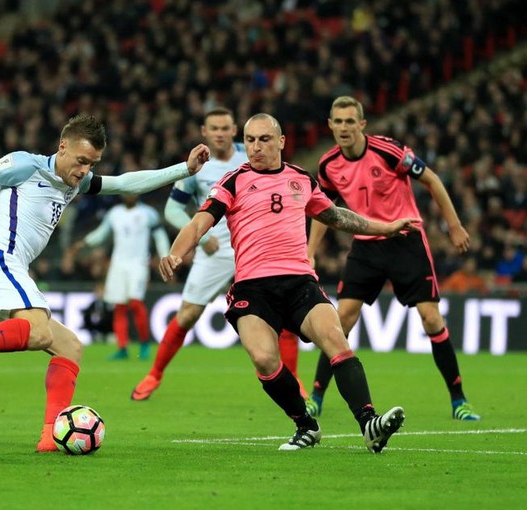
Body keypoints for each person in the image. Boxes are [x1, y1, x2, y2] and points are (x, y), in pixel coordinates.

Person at [0, 114, 211, 452]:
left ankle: (49, 437)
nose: (85, 171)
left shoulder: (74, 182)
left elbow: (123, 183)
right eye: (80, 161)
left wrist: (183, 169)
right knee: (40, 331)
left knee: (70, 347)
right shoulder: (26, 165)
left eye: (92, 164)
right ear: (62, 147)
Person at [159, 113, 417, 452]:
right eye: (250, 140)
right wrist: (177, 253)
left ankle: (369, 423)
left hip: (299, 283)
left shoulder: (301, 179)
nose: (256, 147)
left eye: (264, 139)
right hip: (253, 287)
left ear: (281, 141)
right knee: (265, 359)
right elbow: (197, 223)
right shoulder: (232, 182)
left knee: (336, 341)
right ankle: (305, 426)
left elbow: (337, 216)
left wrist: (385, 227)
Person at [305, 96, 480, 421]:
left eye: (349, 121)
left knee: (431, 319)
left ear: (362, 125)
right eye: (337, 121)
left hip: (405, 240)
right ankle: (315, 396)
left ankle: (459, 400)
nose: (343, 127)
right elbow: (322, 210)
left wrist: (454, 225)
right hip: (366, 245)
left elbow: (432, 180)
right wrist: (310, 251)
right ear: (330, 125)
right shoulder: (328, 165)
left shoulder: (388, 151)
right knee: (340, 320)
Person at [131, 107, 306, 401]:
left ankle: (296, 381)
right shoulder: (196, 166)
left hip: (256, 250)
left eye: (225, 128)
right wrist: (204, 237)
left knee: (285, 313)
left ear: (234, 130)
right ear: (205, 132)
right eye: (215, 129)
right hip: (215, 250)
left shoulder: (254, 153)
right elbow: (173, 209)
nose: (221, 134)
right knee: (187, 314)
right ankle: (154, 374)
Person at [68, 193, 170, 360]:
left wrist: (165, 255)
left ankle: (144, 344)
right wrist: (83, 243)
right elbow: (101, 234)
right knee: (119, 307)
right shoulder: (114, 213)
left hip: (138, 264)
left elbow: (160, 236)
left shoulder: (148, 213)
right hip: (118, 265)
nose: (129, 194)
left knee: (136, 303)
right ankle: (122, 347)